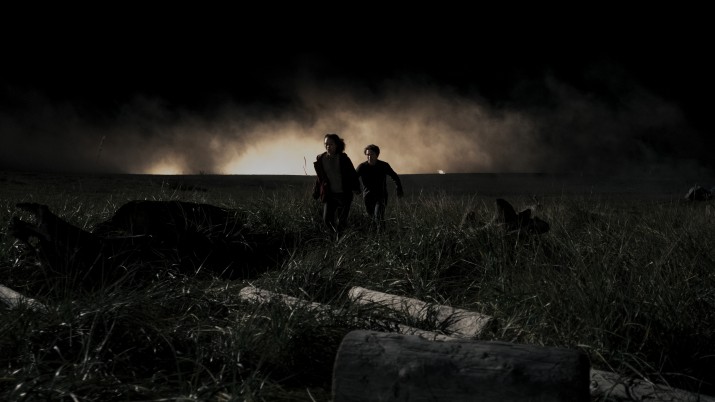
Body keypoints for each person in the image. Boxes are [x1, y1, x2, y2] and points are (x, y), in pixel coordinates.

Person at [312, 133, 361, 233]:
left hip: (344, 194)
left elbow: (352, 174)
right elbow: (320, 178)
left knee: (342, 222)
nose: (328, 146)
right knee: (327, 220)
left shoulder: (343, 158)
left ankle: (340, 239)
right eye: (326, 144)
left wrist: (356, 188)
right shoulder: (321, 158)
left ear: (337, 145)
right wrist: (316, 192)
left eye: (331, 144)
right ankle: (333, 238)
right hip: (329, 194)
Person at [355, 144, 404, 228]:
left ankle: (382, 234)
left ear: (377, 155)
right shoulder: (362, 167)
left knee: (379, 217)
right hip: (367, 196)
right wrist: (356, 189)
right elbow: (353, 178)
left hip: (381, 196)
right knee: (372, 219)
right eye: (367, 155)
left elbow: (394, 176)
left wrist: (399, 188)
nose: (369, 157)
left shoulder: (383, 165)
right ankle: (376, 235)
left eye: (372, 154)